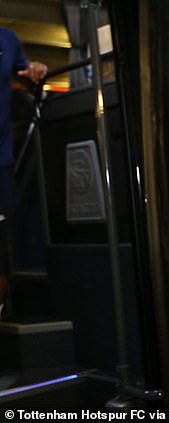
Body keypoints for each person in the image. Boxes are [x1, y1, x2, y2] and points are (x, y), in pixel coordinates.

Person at [0, 28, 47, 318]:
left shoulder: (8, 39)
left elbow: (25, 72)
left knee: (3, 246)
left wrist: (34, 70)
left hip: (1, 160)